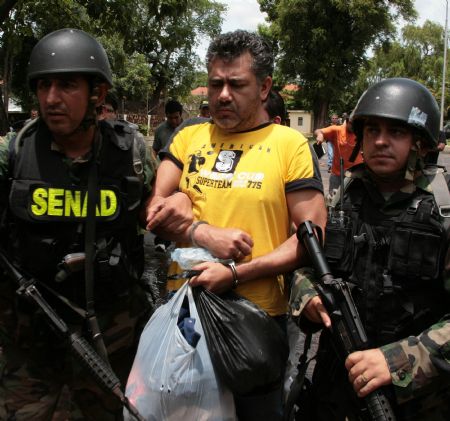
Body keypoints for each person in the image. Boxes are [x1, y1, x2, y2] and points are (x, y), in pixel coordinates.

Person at [0, 28, 190, 421]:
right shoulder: (14, 153)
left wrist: (183, 203)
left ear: (97, 95)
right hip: (29, 348)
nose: (51, 98)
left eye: (67, 85)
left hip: (111, 344)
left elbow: (161, 210)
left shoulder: (132, 154)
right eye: (44, 86)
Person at [145, 29, 326, 421]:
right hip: (185, 318)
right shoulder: (188, 138)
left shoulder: (289, 145)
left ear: (264, 88)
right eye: (215, 84)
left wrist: (234, 272)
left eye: (236, 84)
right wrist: (200, 231)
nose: (223, 95)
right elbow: (154, 213)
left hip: (255, 323)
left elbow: (312, 238)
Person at [291, 78, 450, 419]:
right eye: (372, 130)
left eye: (396, 132)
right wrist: (307, 298)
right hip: (335, 387)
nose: (380, 141)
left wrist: (396, 361)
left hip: (413, 400)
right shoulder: (347, 198)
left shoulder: (442, 212)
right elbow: (307, 266)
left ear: (420, 143)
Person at [314, 112, 363, 196]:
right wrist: (320, 135)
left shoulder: (361, 132)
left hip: (356, 175)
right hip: (337, 173)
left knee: (354, 202)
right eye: (352, 124)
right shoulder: (337, 130)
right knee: (333, 201)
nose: (354, 127)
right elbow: (318, 131)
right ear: (347, 122)